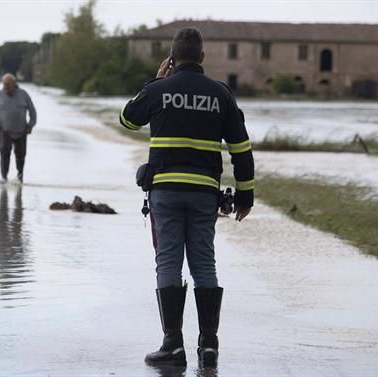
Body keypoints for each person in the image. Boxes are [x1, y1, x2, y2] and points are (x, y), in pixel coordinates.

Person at [119, 28, 255, 368]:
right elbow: (241, 148)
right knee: (204, 264)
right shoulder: (221, 95)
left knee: (168, 262)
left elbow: (128, 119)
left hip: (165, 190)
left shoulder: (160, 89)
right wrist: (245, 195)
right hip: (204, 194)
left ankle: (172, 345)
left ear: (172, 57)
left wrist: (154, 81)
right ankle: (209, 347)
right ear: (203, 57)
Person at [0, 74, 37, 183]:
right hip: (4, 131)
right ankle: (4, 178)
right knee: (4, 155)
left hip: (21, 131)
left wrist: (30, 126)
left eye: (8, 85)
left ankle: (20, 178)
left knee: (20, 156)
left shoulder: (24, 95)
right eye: (4, 85)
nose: (6, 88)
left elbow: (33, 112)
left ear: (14, 84)